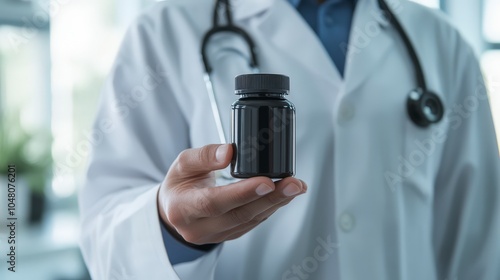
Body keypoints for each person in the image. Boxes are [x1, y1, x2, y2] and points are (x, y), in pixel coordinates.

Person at [79, 0, 500, 279]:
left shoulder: (442, 43)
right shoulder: (166, 29)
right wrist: (169, 227)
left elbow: (478, 240)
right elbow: (103, 228)